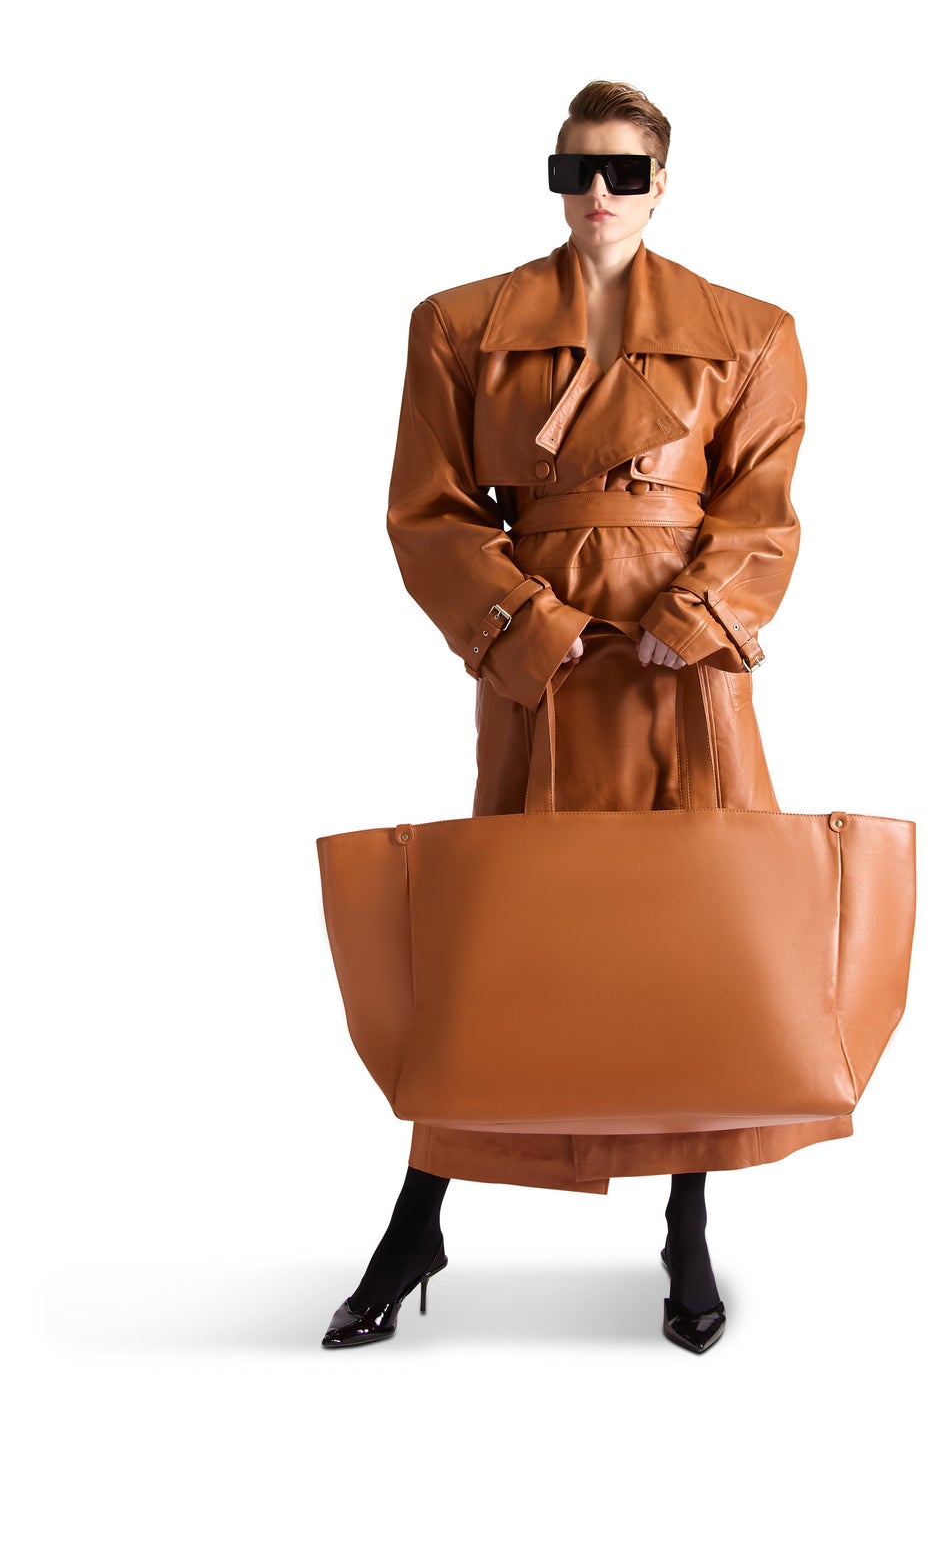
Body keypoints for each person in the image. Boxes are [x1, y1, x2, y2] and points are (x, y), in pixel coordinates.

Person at [321, 79, 852, 1355]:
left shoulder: (750, 333)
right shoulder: (460, 325)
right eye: (574, 170)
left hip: (684, 673)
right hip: (545, 668)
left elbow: (763, 509)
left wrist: (704, 611)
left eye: (622, 171)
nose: (597, 194)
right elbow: (428, 511)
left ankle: (686, 1225)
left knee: (697, 937)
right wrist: (525, 625)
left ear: (663, 183)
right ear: (553, 179)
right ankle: (417, 1220)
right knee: (502, 934)